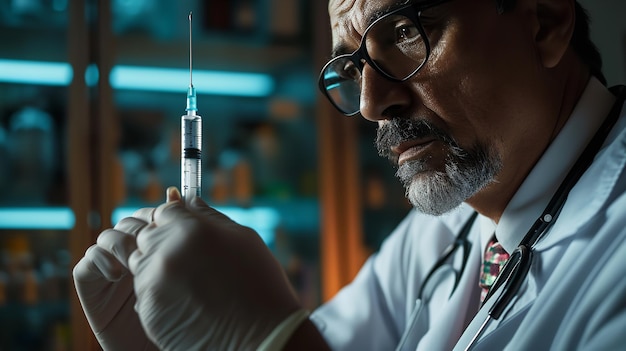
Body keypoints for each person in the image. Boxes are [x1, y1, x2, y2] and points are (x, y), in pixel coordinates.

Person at [73, 0, 626, 349]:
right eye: (354, 66)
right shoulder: (446, 226)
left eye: (406, 31)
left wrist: (268, 338)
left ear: (544, 23)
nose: (370, 103)